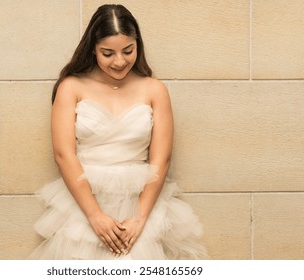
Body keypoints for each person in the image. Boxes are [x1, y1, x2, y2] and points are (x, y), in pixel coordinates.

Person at [30, 4, 207, 259]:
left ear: (138, 46)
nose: (120, 61)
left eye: (128, 51)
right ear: (93, 48)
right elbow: (63, 155)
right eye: (108, 53)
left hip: (141, 201)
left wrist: (139, 219)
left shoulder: (154, 90)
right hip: (84, 201)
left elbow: (161, 159)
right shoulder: (71, 88)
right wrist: (95, 216)